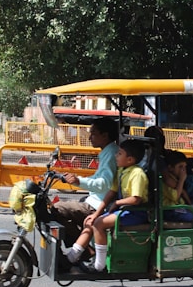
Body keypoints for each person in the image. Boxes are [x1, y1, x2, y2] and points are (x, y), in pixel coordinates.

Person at [74, 139, 149, 272]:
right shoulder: (121, 171)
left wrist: (117, 203)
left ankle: (99, 265)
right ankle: (72, 256)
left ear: (130, 159)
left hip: (136, 213)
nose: (116, 156)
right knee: (92, 221)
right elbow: (111, 192)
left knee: (99, 224)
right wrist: (96, 213)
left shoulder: (137, 173)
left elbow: (136, 199)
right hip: (124, 210)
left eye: (119, 154)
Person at [52, 117, 119, 258]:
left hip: (97, 204)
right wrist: (78, 180)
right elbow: (97, 179)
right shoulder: (107, 152)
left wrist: (78, 182)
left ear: (105, 135)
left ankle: (82, 249)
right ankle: (83, 247)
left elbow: (103, 184)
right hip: (94, 199)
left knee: (57, 209)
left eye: (93, 134)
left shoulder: (111, 154)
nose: (89, 138)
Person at [162, 151, 193, 260]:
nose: (183, 171)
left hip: (178, 208)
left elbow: (183, 193)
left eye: (184, 167)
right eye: (180, 167)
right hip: (170, 210)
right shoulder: (167, 180)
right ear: (170, 168)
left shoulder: (172, 178)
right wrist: (182, 180)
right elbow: (176, 196)